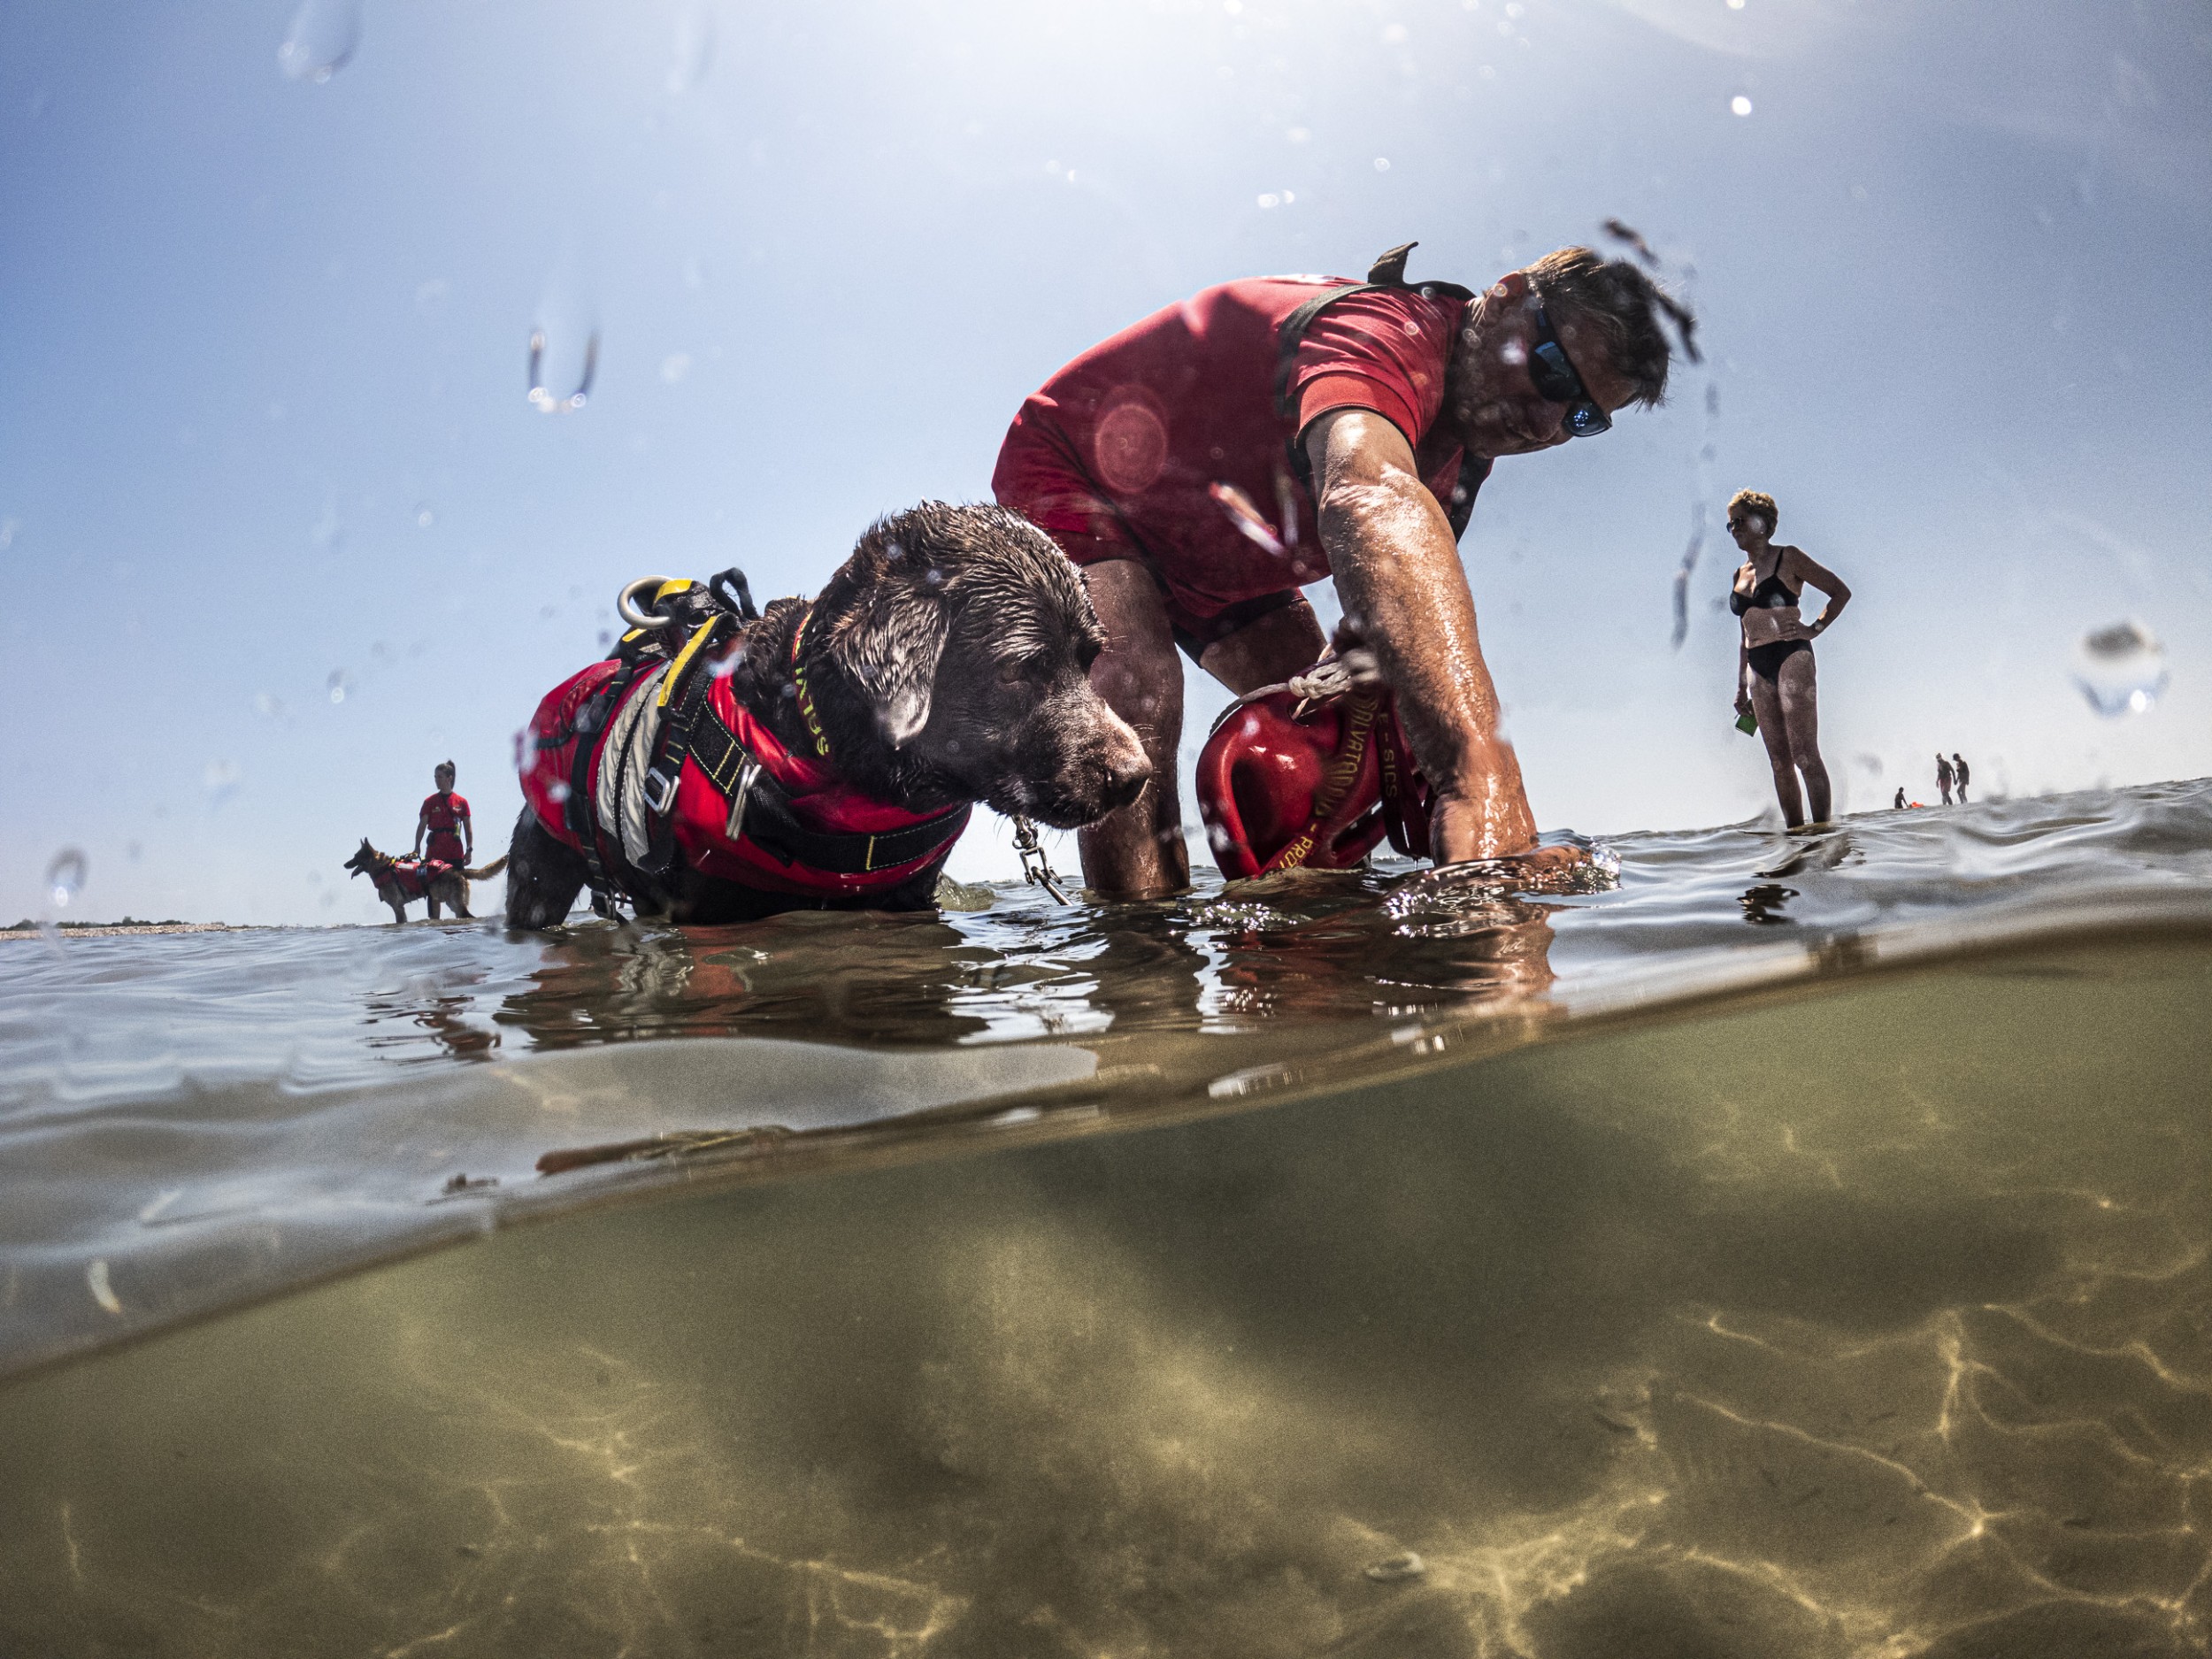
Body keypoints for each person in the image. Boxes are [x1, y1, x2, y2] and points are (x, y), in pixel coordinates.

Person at [994, 242, 1692, 899]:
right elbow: (1366, 492)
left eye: (1580, 416)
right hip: (1078, 461)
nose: (1546, 424)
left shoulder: (1456, 475)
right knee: (1141, 689)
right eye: (1550, 369)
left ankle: (1323, 942)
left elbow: (1380, 631)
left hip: (1209, 547)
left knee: (1340, 737)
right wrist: (1481, 778)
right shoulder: (1386, 331)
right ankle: (1141, 963)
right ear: (1506, 297)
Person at [1727, 491, 1851, 828]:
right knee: (1779, 763)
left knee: (1804, 754)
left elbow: (1840, 592)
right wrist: (1741, 688)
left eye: (1740, 520)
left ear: (1762, 523)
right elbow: (1743, 635)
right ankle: (1798, 839)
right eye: (1730, 523)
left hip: (1791, 656)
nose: (1734, 528)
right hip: (1757, 664)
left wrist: (1815, 628)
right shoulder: (1739, 572)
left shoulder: (1789, 557)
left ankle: (1822, 834)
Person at [413, 761, 472, 867]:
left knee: (455, 882)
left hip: (455, 853)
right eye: (435, 777)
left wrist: (469, 850)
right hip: (434, 852)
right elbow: (422, 826)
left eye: (440, 777)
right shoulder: (429, 802)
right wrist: (417, 847)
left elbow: (468, 830)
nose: (436, 780)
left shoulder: (461, 802)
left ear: (449, 778)